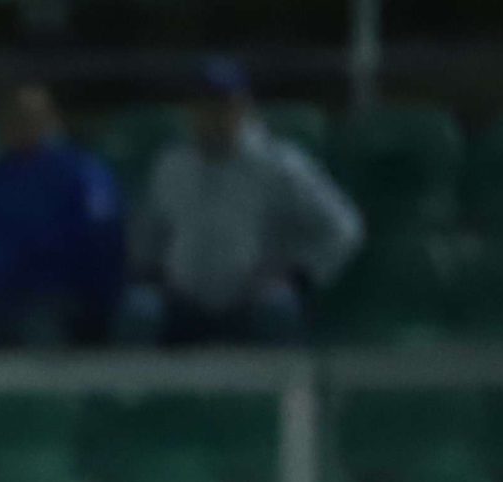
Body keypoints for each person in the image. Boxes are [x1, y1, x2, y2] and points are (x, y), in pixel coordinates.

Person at [126, 58, 364, 346]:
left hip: (253, 305)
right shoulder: (171, 165)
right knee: (140, 309)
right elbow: (146, 237)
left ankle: (285, 389)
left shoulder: (279, 164)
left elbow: (343, 227)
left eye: (224, 105)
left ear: (243, 107)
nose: (213, 115)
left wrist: (299, 277)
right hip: (183, 303)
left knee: (279, 308)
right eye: (204, 105)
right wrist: (155, 277)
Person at [0, 84, 125, 348]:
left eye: (29, 117)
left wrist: (91, 308)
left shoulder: (81, 176)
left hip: (48, 304)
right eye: (11, 118)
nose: (19, 126)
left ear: (52, 120)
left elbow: (101, 252)